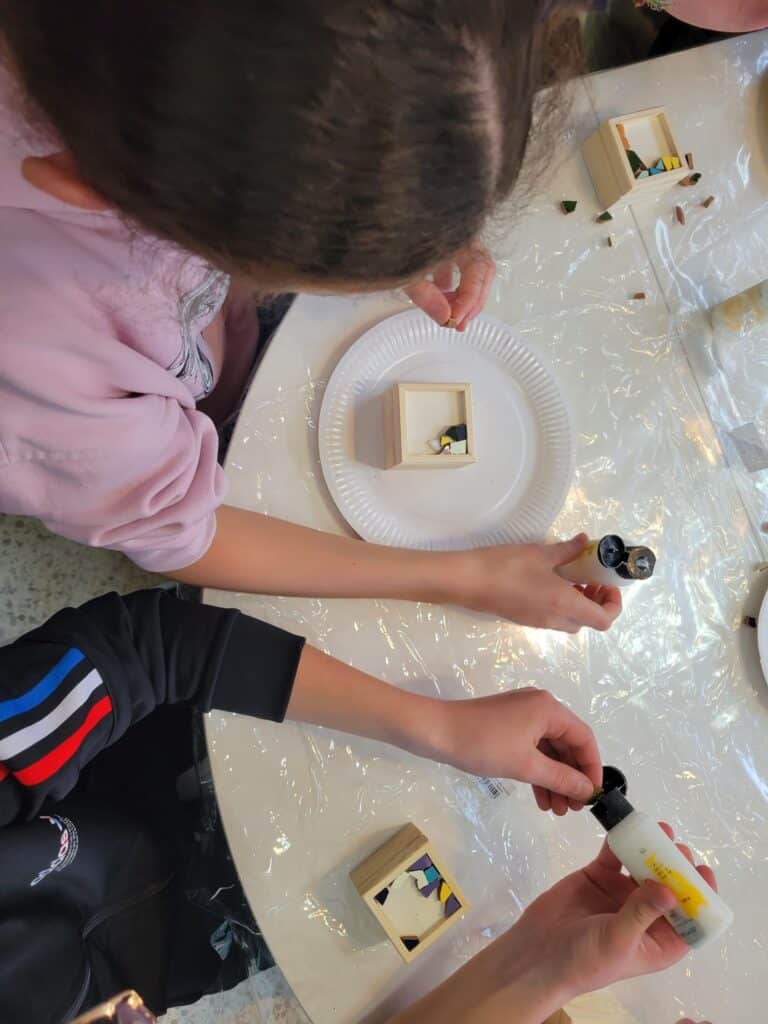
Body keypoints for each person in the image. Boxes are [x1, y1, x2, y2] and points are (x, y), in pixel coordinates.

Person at [0, 2, 621, 635]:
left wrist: (403, 214)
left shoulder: (148, 106)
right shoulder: (41, 353)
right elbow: (182, 534)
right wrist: (463, 577)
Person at [0, 588, 717, 1024]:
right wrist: (546, 964)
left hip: (145, 770)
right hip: (189, 945)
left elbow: (145, 647)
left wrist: (441, 727)